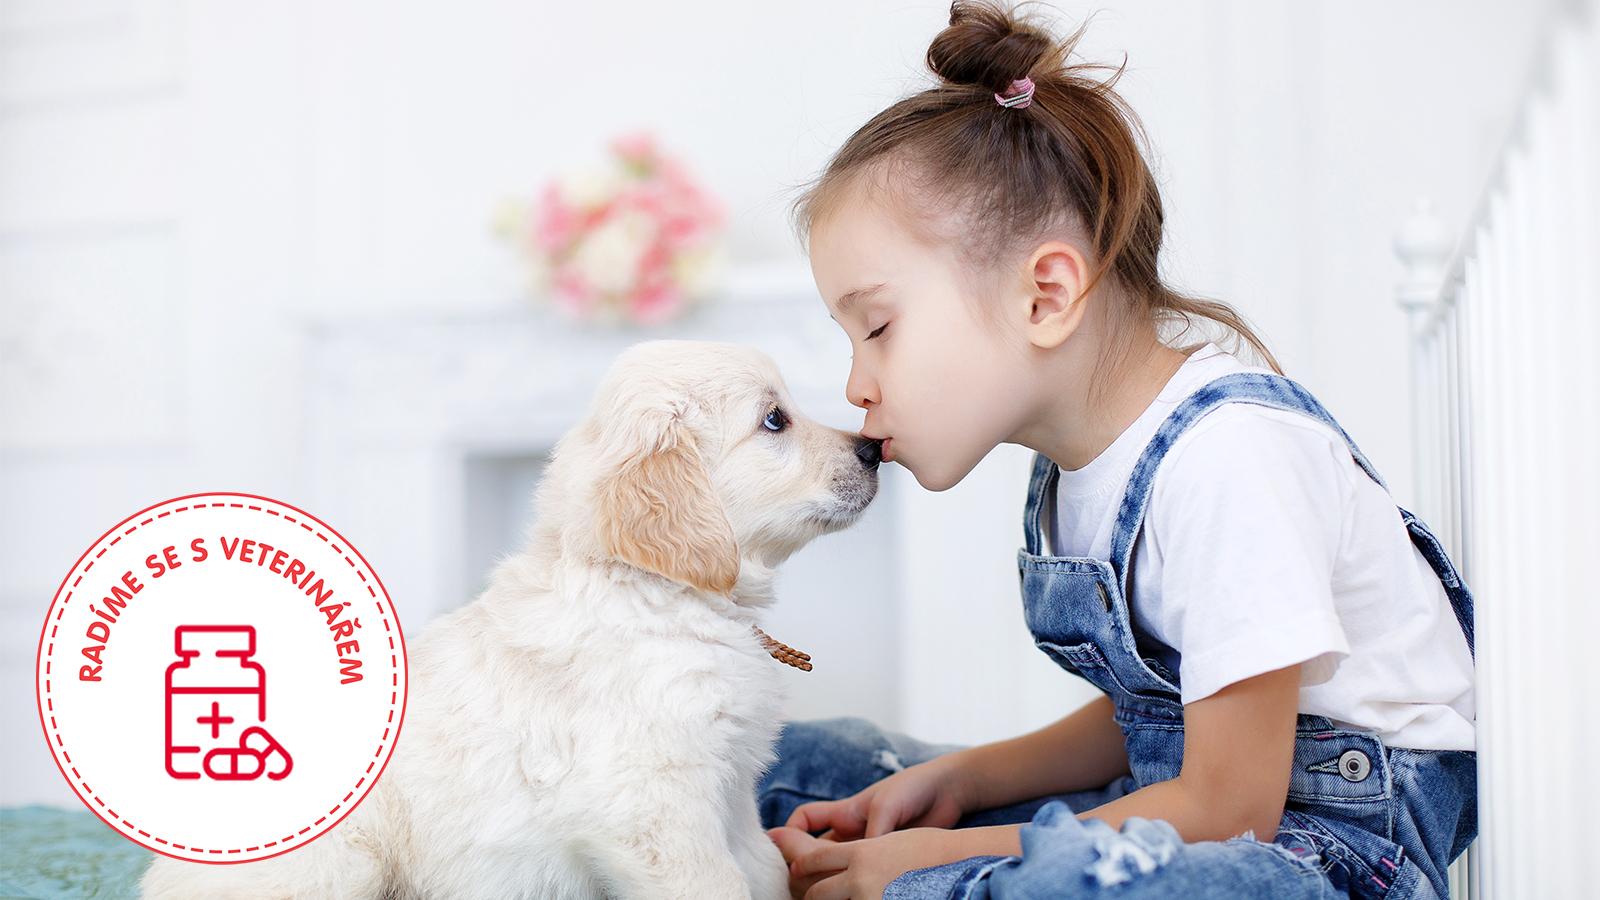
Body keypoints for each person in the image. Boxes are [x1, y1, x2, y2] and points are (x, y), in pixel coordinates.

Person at [757, 2, 1477, 898]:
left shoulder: (1229, 458)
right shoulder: (1078, 468)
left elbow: (1229, 804)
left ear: (1046, 294)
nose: (857, 384)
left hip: (1319, 851)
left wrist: (932, 857)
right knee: (797, 767)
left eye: (877, 328)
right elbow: (1160, 715)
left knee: (1067, 880)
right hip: (1179, 805)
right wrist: (957, 785)